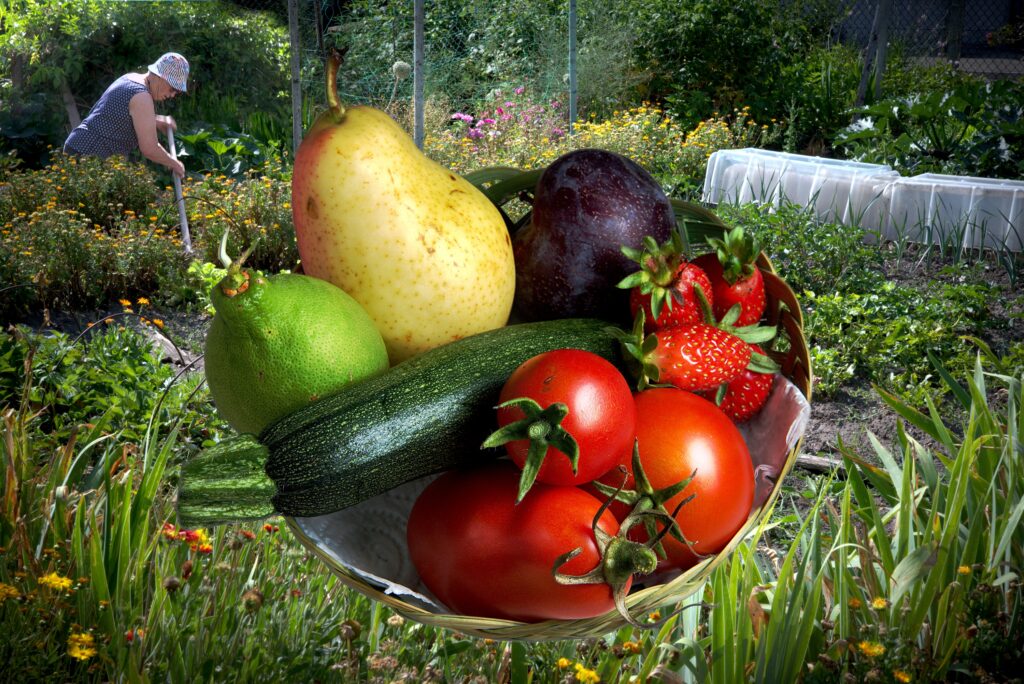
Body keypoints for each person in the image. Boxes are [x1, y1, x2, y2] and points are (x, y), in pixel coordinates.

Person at [63, 52, 189, 178]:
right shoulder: (142, 96)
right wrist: (174, 164)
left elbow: (122, 114)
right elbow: (149, 148)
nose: (172, 95)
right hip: (88, 154)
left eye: (177, 92)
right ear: (162, 77)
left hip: (79, 147)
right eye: (173, 89)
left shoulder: (131, 78)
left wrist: (155, 121)